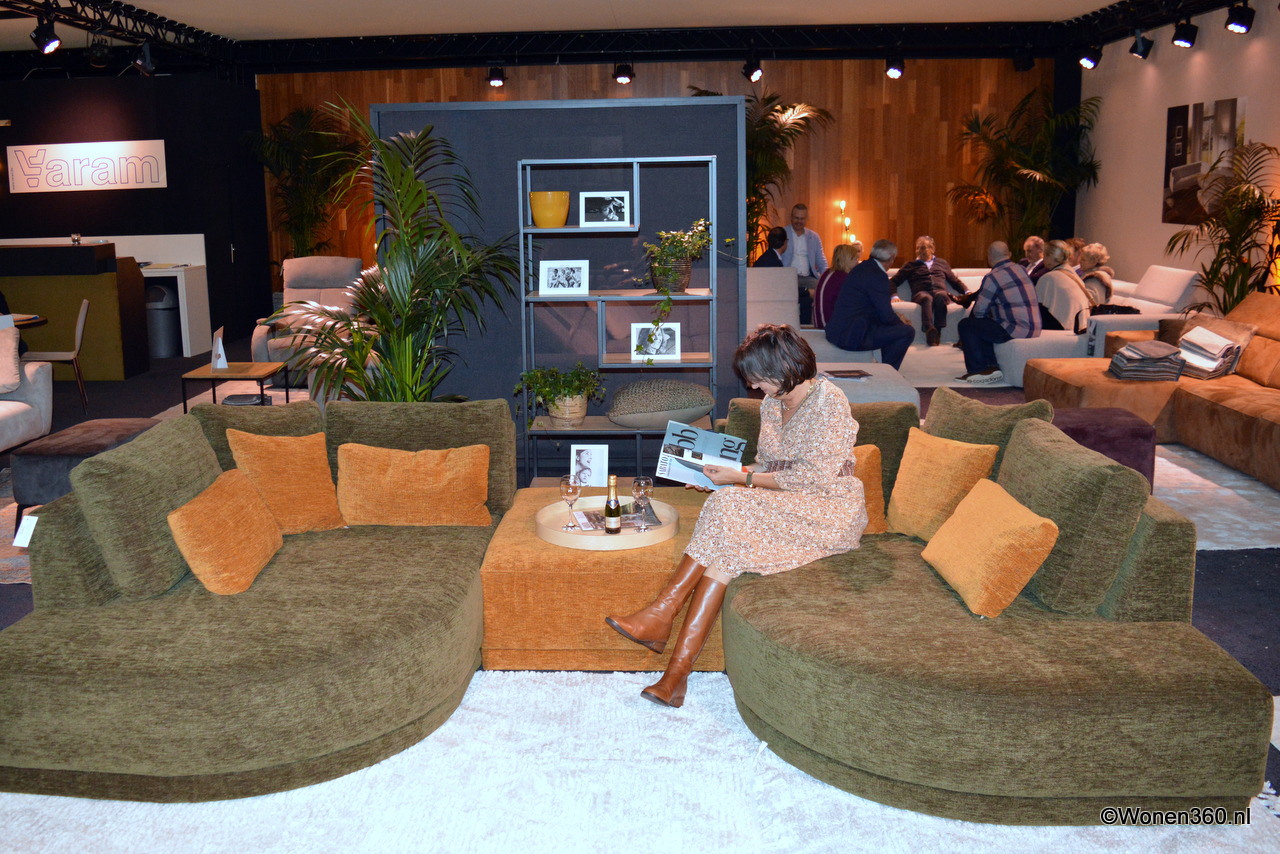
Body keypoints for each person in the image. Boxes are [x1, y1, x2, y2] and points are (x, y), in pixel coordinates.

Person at [605, 324, 868, 708]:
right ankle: (675, 675)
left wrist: (739, 479)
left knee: (729, 504)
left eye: (759, 378)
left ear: (785, 367)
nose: (753, 386)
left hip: (829, 507)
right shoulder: (772, 404)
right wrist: (720, 475)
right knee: (726, 538)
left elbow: (812, 478)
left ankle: (663, 617)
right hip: (788, 501)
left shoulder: (829, 401)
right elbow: (768, 466)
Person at [955, 241, 1041, 384]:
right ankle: (991, 368)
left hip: (1016, 329)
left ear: (989, 256)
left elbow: (979, 311)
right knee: (985, 324)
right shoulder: (1021, 269)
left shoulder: (993, 277)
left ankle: (979, 370)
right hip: (1034, 327)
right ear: (1009, 254)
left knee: (967, 325)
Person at [823, 239, 915, 370]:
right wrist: (901, 323)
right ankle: (888, 372)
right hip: (852, 336)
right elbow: (886, 316)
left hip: (838, 330)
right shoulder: (878, 276)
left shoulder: (861, 268)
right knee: (906, 332)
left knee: (892, 328)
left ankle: (886, 369)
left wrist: (895, 319)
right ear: (891, 259)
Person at [889, 236, 969, 346]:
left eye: (922, 248)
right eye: (917, 248)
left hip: (940, 292)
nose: (919, 251)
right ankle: (929, 329)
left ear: (932, 249)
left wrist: (967, 292)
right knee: (927, 298)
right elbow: (893, 281)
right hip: (920, 293)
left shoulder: (942, 263)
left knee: (941, 295)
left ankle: (937, 331)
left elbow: (954, 281)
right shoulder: (910, 265)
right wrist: (894, 296)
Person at [779, 204, 829, 324]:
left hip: (808, 278)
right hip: (789, 277)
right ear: (791, 217)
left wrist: (826, 278)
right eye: (796, 218)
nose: (799, 221)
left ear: (806, 219)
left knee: (822, 290)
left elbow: (821, 261)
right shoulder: (783, 233)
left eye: (802, 219)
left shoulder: (814, 237)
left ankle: (818, 323)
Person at [1036, 240, 1095, 333]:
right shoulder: (1074, 276)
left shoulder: (1048, 278)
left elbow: (1034, 310)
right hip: (1082, 330)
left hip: (1062, 333)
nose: (1043, 260)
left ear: (1050, 256)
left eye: (1044, 255)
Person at [811, 242, 860, 329]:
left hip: (820, 322)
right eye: (855, 259)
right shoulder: (842, 278)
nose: (857, 262)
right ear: (847, 260)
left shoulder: (828, 273)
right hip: (830, 326)